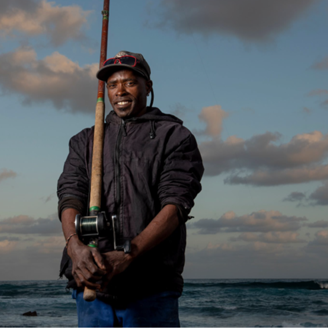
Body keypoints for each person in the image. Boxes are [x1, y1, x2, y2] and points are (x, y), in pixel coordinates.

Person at [57, 50, 204, 327]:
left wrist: (130, 253)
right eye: (112, 85)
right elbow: (69, 196)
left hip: (151, 286)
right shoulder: (83, 141)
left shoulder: (174, 136)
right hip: (92, 285)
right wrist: (75, 247)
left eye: (130, 82)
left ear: (148, 86)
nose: (120, 91)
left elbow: (176, 205)